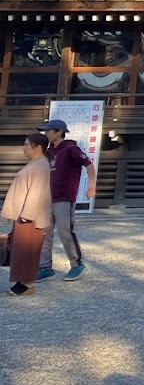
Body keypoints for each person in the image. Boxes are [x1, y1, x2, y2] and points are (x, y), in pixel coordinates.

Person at [37, 118, 96, 281]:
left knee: (65, 232)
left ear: (58, 132)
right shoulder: (48, 151)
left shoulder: (71, 148)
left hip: (64, 197)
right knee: (44, 233)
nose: (46, 134)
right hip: (48, 197)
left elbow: (88, 165)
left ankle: (77, 264)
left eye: (48, 131)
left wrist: (92, 186)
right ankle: (45, 267)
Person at [3, 133, 54, 295]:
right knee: (20, 249)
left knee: (27, 249)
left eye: (27, 145)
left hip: (30, 216)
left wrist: (28, 214)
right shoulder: (37, 163)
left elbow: (37, 192)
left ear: (38, 147)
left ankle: (27, 284)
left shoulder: (39, 166)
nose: (24, 148)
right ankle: (22, 280)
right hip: (25, 214)